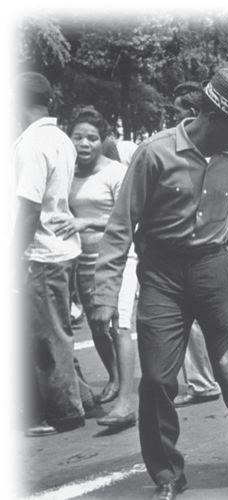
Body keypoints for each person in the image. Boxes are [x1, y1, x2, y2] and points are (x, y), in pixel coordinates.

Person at [91, 68, 228, 500]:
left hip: (212, 270)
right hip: (162, 274)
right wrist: (105, 294)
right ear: (210, 115)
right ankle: (167, 473)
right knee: (157, 379)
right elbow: (120, 227)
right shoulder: (154, 154)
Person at [12, 72, 87, 437]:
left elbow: (28, 209)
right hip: (59, 249)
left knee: (47, 335)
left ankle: (64, 411)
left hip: (40, 252)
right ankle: (77, 396)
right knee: (55, 328)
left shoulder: (31, 144)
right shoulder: (59, 137)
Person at [53, 106, 137, 427]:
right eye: (78, 137)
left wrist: (85, 221)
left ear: (103, 140)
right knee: (97, 325)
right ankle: (115, 379)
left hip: (118, 259)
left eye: (92, 137)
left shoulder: (116, 172)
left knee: (118, 324)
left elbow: (128, 219)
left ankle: (126, 401)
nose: (84, 143)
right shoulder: (66, 172)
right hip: (82, 260)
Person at [168, 83, 223, 410]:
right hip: (198, 248)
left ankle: (203, 381)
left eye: (177, 111)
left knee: (192, 320)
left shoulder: (201, 152)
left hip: (197, 251)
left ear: (192, 113)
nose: (174, 118)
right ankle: (203, 379)